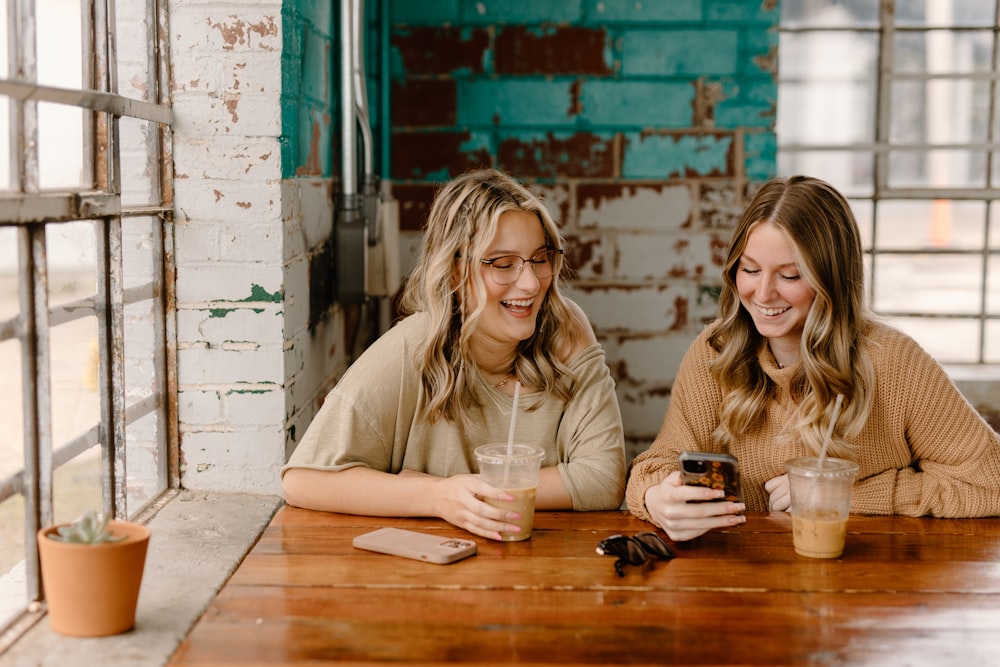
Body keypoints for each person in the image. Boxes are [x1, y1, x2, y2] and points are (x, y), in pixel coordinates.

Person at [626, 175, 1000, 542]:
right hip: (740, 583)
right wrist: (656, 497)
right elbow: (654, 465)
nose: (763, 293)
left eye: (790, 275)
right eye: (750, 269)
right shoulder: (717, 350)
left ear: (831, 279)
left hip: (866, 583)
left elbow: (990, 482)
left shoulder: (893, 362)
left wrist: (843, 494)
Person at [282, 168, 626, 541]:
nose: (530, 283)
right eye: (503, 263)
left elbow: (604, 478)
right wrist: (437, 497)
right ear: (455, 272)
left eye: (540, 258)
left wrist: (462, 490)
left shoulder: (565, 329)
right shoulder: (413, 346)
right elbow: (303, 481)